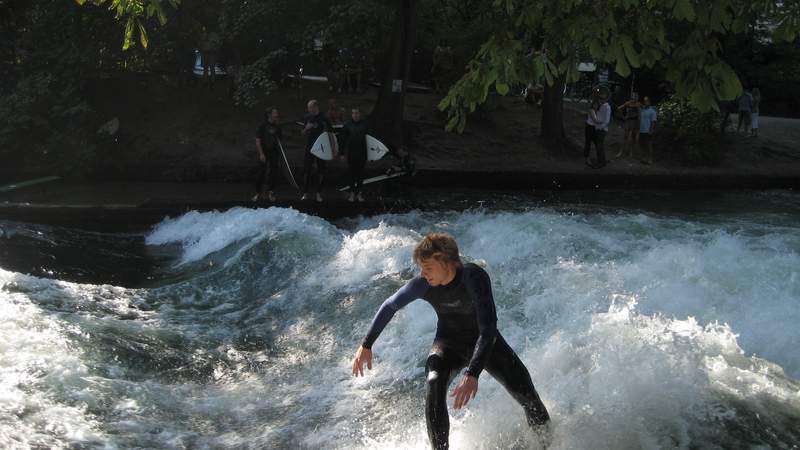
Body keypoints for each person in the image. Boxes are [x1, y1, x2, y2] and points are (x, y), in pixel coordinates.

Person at [352, 233, 550, 450]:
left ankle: (547, 444)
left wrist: (472, 373)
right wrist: (366, 344)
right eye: (421, 268)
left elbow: (488, 330)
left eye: (427, 267)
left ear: (446, 262)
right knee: (433, 386)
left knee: (529, 399)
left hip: (487, 345)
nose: (423, 273)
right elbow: (390, 306)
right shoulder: (422, 284)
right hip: (448, 346)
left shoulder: (473, 277)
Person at [301, 99, 331, 202]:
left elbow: (330, 134)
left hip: (322, 148)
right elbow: (302, 133)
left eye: (310, 107)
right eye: (308, 107)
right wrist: (306, 128)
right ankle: (305, 193)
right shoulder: (307, 117)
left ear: (315, 107)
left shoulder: (324, 118)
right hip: (310, 147)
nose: (308, 109)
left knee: (321, 170)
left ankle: (319, 193)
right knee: (306, 170)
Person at [252, 107, 283, 202]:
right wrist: (261, 154)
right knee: (261, 173)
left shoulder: (277, 127)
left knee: (273, 173)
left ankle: (271, 192)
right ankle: (258, 193)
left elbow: (279, 141)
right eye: (275, 113)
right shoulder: (262, 126)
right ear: (269, 115)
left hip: (274, 153)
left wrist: (280, 154)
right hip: (264, 152)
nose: (277, 115)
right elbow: (258, 141)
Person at [340, 107, 368, 202]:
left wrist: (372, 155)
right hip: (351, 153)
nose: (355, 115)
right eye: (353, 113)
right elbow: (342, 140)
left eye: (357, 113)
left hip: (362, 153)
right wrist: (342, 154)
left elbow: (371, 141)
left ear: (360, 114)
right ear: (351, 114)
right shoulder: (347, 125)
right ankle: (352, 193)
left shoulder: (365, 125)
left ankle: (359, 194)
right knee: (351, 174)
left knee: (360, 175)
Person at [616, 92, 642, 159]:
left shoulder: (638, 104)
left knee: (633, 138)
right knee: (625, 137)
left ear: (637, 98)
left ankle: (631, 152)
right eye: (633, 97)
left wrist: (640, 122)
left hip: (635, 121)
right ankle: (621, 152)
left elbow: (641, 113)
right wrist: (623, 117)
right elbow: (619, 108)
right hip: (628, 121)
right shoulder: (628, 103)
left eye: (635, 97)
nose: (634, 98)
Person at [590, 89, 611, 168]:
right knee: (599, 146)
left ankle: (601, 163)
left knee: (599, 146)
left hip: (602, 130)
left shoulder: (607, 107)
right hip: (598, 128)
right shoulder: (601, 105)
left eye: (602, 98)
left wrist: (600, 128)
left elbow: (607, 121)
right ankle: (601, 160)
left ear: (605, 99)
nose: (601, 100)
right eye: (600, 98)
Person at [638, 96, 657, 165]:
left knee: (649, 146)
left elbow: (653, 121)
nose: (645, 102)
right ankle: (644, 158)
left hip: (648, 131)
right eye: (644, 101)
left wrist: (651, 130)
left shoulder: (652, 111)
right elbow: (640, 120)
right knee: (642, 145)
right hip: (641, 131)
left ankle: (650, 159)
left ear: (649, 102)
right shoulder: (642, 110)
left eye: (646, 101)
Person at [584, 99, 599, 167]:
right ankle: (587, 159)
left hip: (594, 129)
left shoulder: (597, 111)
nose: (595, 106)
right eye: (594, 104)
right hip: (589, 128)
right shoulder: (591, 110)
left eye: (597, 104)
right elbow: (595, 120)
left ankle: (599, 158)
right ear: (592, 105)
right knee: (588, 143)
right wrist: (604, 121)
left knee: (597, 143)